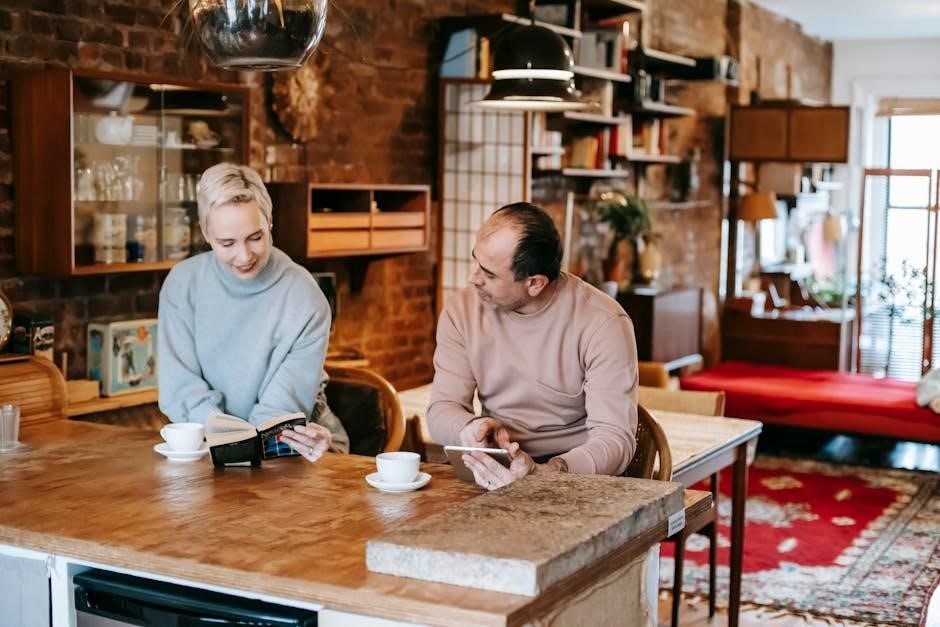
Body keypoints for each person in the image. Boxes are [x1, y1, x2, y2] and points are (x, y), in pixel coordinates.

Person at [427, 202, 638, 489]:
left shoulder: (603, 322)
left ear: (535, 283)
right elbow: (442, 409)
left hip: (573, 473)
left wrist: (549, 472)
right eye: (475, 260)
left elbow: (615, 439)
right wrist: (470, 428)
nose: (472, 278)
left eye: (489, 274)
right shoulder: (461, 311)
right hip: (497, 462)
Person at [158, 163, 348, 461]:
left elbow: (279, 411)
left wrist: (238, 447)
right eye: (227, 243)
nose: (244, 256)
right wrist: (225, 439)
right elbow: (180, 389)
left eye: (255, 237)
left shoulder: (305, 299)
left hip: (294, 445)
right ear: (206, 232)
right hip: (211, 441)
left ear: (269, 221)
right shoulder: (182, 285)